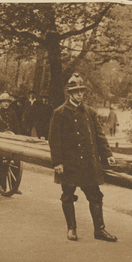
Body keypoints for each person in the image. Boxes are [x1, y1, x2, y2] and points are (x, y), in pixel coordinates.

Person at [48, 73, 117, 242]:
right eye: (76, 91)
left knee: (95, 195)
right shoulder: (60, 113)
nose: (80, 94)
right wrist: (57, 162)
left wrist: (108, 154)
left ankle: (99, 230)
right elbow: (54, 140)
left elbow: (100, 136)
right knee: (68, 195)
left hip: (88, 162)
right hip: (69, 163)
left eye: (81, 91)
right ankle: (71, 229)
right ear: (69, 93)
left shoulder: (90, 112)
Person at [0, 92, 21, 194]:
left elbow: (17, 127)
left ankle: (14, 187)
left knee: (15, 162)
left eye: (7, 102)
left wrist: (18, 138)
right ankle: (3, 186)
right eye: (4, 102)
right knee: (2, 163)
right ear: (0, 103)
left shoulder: (12, 113)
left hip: (11, 140)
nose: (6, 104)